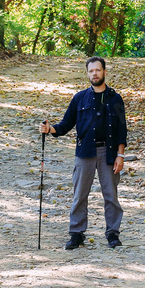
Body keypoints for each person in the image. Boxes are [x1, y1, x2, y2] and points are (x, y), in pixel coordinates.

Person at [41, 57, 127, 249]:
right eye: (91, 71)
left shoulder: (115, 98)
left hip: (109, 152)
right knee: (80, 194)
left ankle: (113, 233)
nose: (94, 74)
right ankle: (77, 234)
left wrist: (120, 156)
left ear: (104, 72)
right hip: (84, 151)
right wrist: (50, 129)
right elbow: (65, 124)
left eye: (98, 70)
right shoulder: (79, 98)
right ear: (87, 73)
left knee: (111, 195)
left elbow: (122, 130)